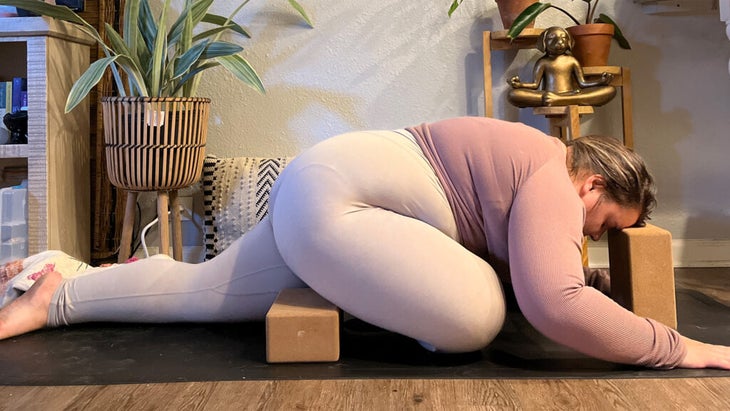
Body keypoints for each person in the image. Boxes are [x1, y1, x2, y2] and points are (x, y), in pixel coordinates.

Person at [0, 116, 728, 370]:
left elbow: (552, 273)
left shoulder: (533, 173)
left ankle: (58, 287)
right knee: (474, 314)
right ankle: (59, 285)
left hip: (325, 189)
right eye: (604, 226)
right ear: (594, 186)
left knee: (203, 294)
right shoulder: (551, 169)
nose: (591, 240)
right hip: (338, 197)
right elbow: (550, 300)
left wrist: (585, 284)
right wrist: (677, 346)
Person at [507, 26, 616, 108]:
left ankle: (561, 100)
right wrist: (519, 85)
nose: (559, 42)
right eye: (551, 38)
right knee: (513, 94)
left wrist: (600, 81)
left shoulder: (571, 60)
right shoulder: (543, 62)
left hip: (569, 94)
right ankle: (567, 100)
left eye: (563, 38)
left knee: (610, 90)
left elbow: (582, 83)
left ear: (569, 42)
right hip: (548, 95)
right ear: (543, 43)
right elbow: (535, 85)